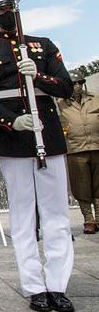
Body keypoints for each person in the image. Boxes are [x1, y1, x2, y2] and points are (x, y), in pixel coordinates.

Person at [0, 0, 74, 312]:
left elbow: (66, 86)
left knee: (56, 213)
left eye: (10, 8)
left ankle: (58, 284)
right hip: (13, 139)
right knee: (23, 214)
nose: (6, 14)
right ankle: (34, 286)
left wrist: (39, 76)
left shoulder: (43, 45)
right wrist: (13, 122)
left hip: (49, 135)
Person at [60, 73, 99, 234]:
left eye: (80, 83)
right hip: (75, 149)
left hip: (97, 146)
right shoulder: (60, 103)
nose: (77, 86)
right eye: (73, 83)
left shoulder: (95, 98)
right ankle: (88, 219)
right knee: (81, 187)